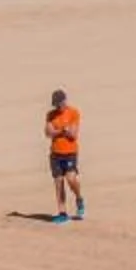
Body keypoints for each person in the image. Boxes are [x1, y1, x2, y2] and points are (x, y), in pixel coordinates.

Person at [44, 89, 84, 224]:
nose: (57, 107)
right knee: (58, 183)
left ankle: (79, 198)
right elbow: (48, 133)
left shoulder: (73, 112)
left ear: (64, 101)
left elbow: (73, 134)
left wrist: (58, 131)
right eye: (55, 104)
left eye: (59, 103)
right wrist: (62, 130)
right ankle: (62, 212)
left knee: (71, 179)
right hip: (55, 153)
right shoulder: (50, 115)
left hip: (70, 153)